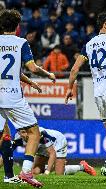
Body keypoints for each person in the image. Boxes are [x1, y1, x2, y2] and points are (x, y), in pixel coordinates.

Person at [65, 13, 106, 180]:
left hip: (98, 92)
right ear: (105, 25)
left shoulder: (89, 44)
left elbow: (74, 69)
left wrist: (69, 88)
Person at [0, 9, 56, 188]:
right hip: (12, 97)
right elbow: (31, 67)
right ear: (17, 27)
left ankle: (13, 175)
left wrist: (29, 82)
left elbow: (10, 69)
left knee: (3, 135)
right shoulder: (21, 43)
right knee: (34, 133)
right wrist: (47, 74)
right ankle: (26, 171)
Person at [0, 75, 42, 184]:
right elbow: (27, 69)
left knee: (5, 135)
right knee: (4, 135)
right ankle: (9, 176)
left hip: (3, 96)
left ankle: (9, 176)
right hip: (5, 96)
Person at [13, 127, 96, 176]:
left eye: (26, 132)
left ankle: (82, 167)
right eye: (22, 132)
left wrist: (47, 172)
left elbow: (52, 153)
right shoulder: (17, 138)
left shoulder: (40, 135)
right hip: (42, 147)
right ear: (19, 132)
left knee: (59, 173)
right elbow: (7, 153)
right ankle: (58, 164)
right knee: (35, 171)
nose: (25, 135)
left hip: (58, 141)